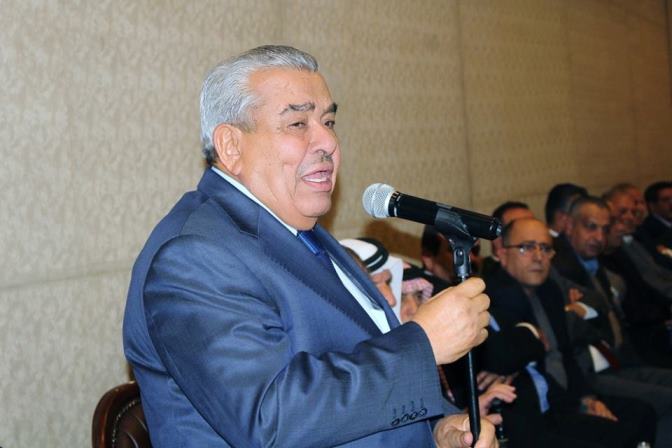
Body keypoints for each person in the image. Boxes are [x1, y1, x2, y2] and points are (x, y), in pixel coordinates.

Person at [122, 45, 495, 447]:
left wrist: (438, 429)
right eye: (298, 123)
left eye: (328, 121)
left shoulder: (296, 225)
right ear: (231, 146)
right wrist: (422, 346)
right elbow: (270, 420)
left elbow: (355, 364)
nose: (327, 142)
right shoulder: (194, 255)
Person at [489, 218, 656, 447]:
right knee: (620, 435)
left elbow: (566, 353)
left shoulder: (549, 290)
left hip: (567, 396)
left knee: (641, 413)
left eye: (545, 248)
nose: (538, 257)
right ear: (502, 251)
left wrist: (587, 399)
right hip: (533, 414)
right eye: (526, 247)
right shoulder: (495, 297)